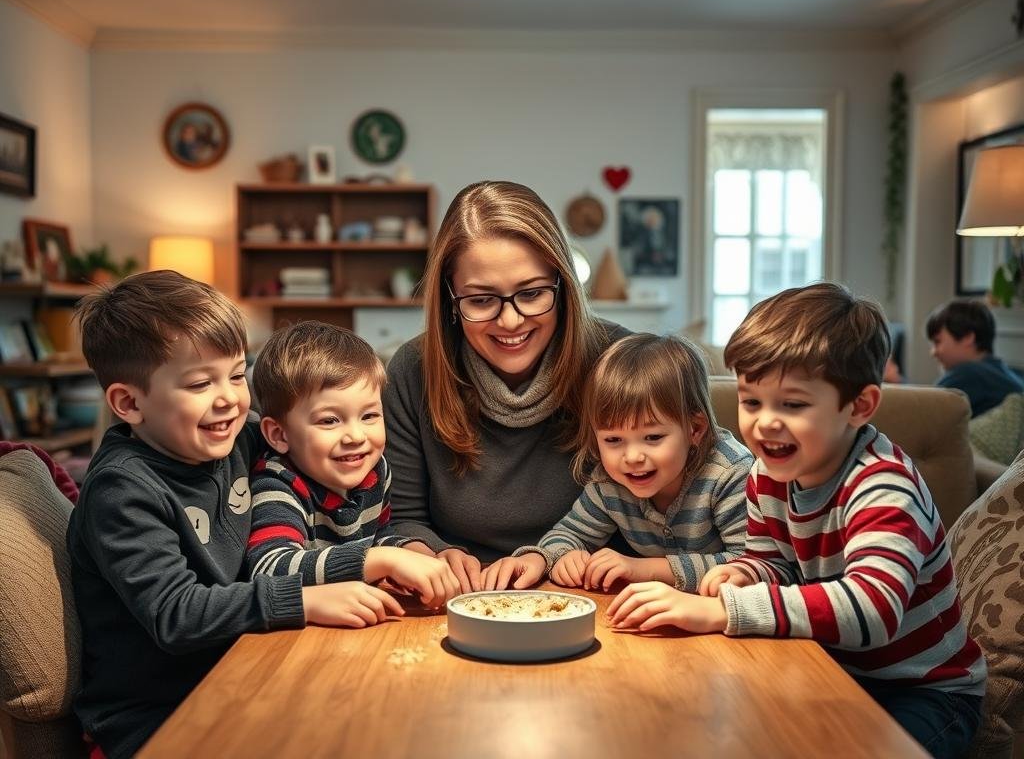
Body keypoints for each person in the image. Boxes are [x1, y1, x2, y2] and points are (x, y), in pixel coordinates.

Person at [607, 283, 986, 758]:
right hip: (830, 666)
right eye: (752, 402)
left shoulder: (883, 488)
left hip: (922, 690)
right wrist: (743, 573)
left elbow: (873, 609)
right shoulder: (768, 473)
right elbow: (774, 563)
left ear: (860, 405)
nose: (765, 423)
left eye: (793, 404)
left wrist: (725, 609)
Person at [67, 271, 394, 759]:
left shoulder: (237, 441)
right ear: (129, 403)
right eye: (200, 383)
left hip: (246, 671)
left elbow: (309, 431)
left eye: (237, 375)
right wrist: (307, 600)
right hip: (155, 715)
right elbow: (177, 615)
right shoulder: (122, 491)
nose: (230, 399)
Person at [383, 180, 629, 591]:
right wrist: (430, 552)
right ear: (450, 298)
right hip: (466, 593)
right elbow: (403, 518)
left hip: (594, 592)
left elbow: (674, 510)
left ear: (562, 285)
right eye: (481, 300)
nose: (511, 322)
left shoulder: (618, 360)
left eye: (531, 293)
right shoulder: (414, 369)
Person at [480, 333, 752, 592]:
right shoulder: (609, 481)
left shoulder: (730, 473)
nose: (632, 457)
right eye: (613, 440)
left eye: (653, 437)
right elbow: (569, 533)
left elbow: (751, 565)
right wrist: (557, 557)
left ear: (695, 429)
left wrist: (643, 569)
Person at [245, 321, 460, 613]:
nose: (356, 437)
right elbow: (269, 568)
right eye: (329, 421)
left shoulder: (375, 472)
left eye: (369, 415)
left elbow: (378, 535)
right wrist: (379, 560)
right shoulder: (277, 484)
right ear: (279, 435)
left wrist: (410, 549)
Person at [925, 298, 1022, 417]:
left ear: (968, 337)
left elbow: (924, 415)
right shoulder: (1007, 374)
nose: (933, 352)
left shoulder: (968, 374)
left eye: (937, 342)